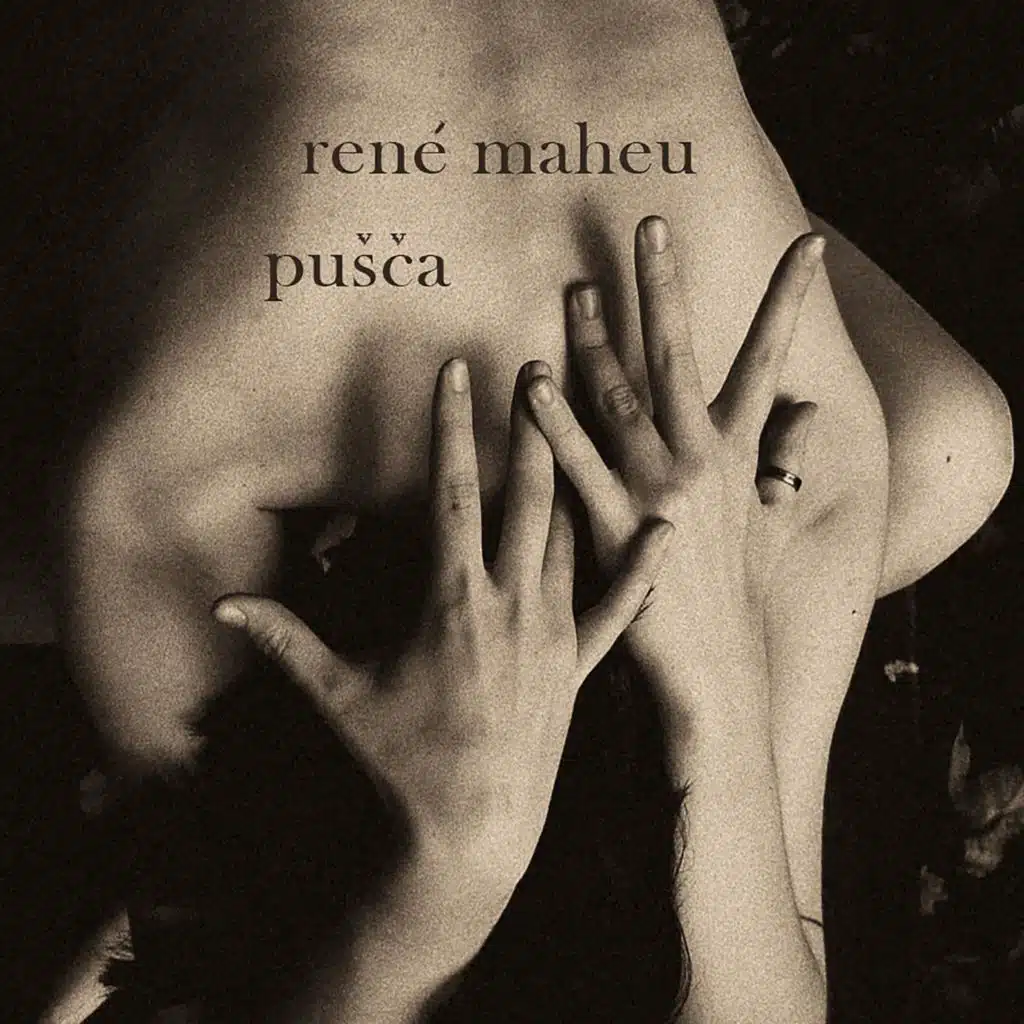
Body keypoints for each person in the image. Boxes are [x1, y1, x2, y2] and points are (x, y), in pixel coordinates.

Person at [40, 0, 1010, 1017]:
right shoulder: (160, 501)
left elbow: (769, 995)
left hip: (696, 394)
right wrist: (438, 889)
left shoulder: (815, 480)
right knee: (948, 450)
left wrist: (715, 681)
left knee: (949, 451)